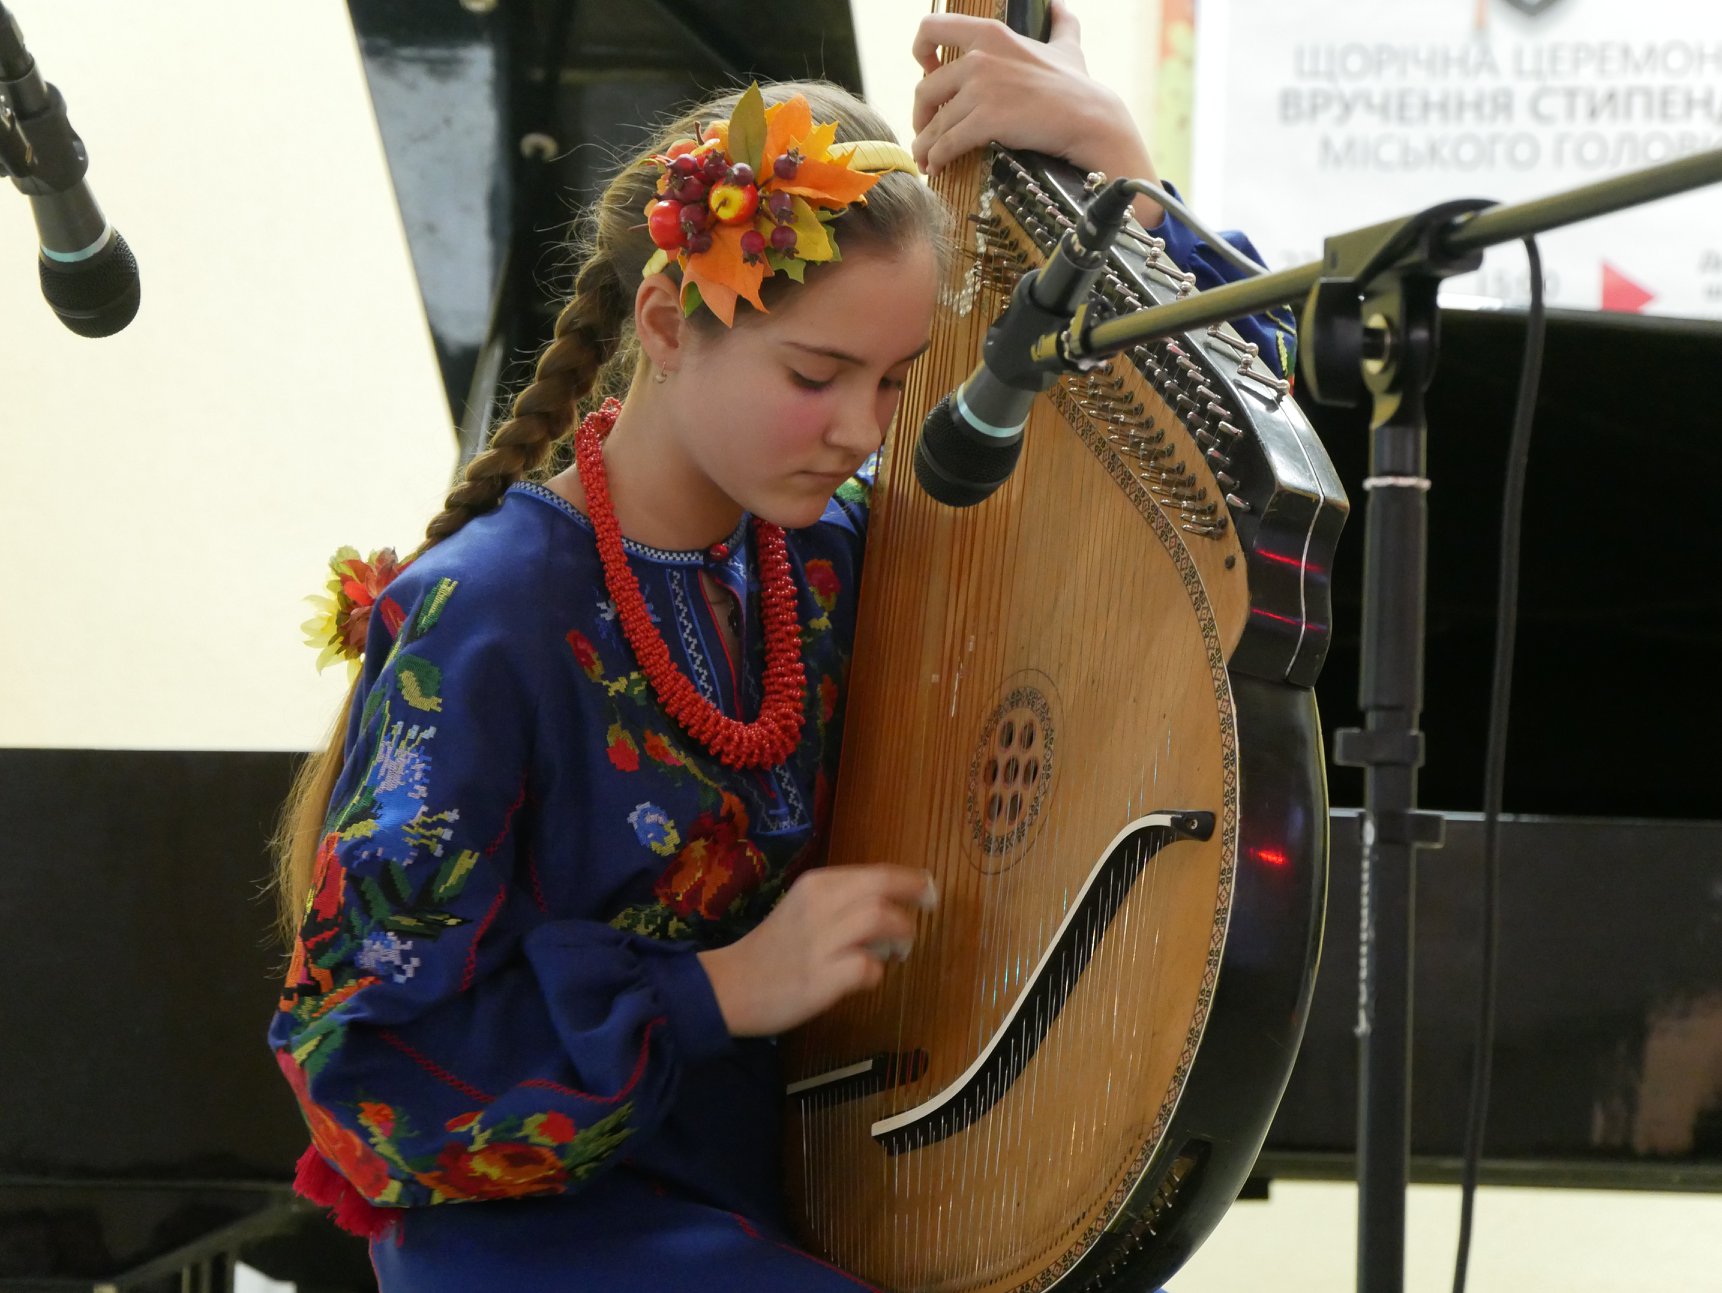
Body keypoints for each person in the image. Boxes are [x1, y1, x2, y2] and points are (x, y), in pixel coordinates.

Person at [270, 4, 1287, 1289]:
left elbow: (1217, 462)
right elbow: (361, 1079)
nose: (862, 427)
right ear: (665, 322)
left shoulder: (830, 553)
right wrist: (727, 990)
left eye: (895, 380)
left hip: (802, 1196)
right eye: (816, 373)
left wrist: (1120, 170)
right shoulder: (487, 613)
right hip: (545, 1239)